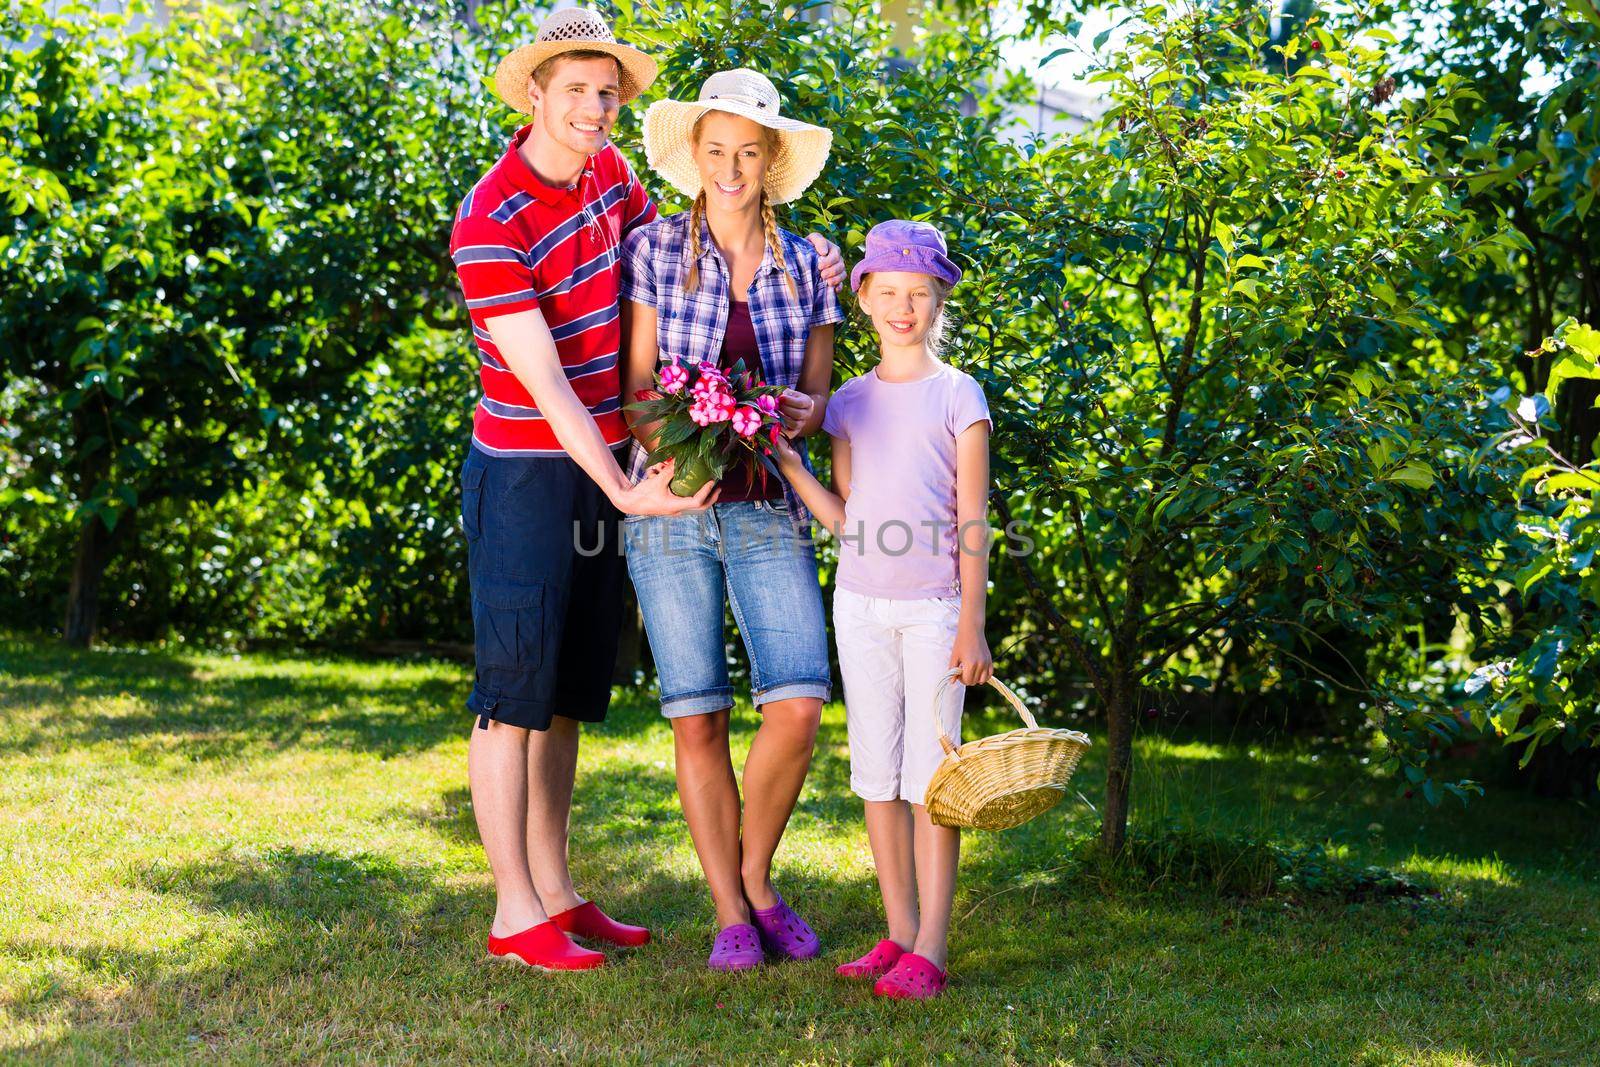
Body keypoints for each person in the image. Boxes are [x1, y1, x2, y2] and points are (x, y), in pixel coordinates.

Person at [449, 11, 844, 972]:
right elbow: (548, 387)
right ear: (535, 93)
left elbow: (693, 251)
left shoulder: (612, 179)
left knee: (567, 692)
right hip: (530, 467)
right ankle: (513, 912)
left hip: (617, 469)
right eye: (575, 90)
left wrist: (826, 262)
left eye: (606, 91)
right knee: (511, 696)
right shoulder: (491, 218)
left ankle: (557, 890)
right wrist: (626, 491)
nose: (593, 107)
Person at [617, 69, 841, 971]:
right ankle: (731, 915)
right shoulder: (656, 251)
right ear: (694, 158)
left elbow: (820, 396)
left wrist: (796, 415)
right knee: (697, 713)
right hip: (670, 506)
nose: (731, 168)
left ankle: (755, 877)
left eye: (748, 151)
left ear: (771, 159)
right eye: (716, 152)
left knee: (797, 701)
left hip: (770, 503)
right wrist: (675, 444)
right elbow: (636, 387)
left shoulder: (814, 263)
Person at [772, 219, 993, 999]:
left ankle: (931, 945)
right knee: (876, 775)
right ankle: (897, 932)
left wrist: (972, 623)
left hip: (935, 612)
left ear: (938, 303)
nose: (905, 307)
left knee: (931, 783)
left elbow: (973, 519)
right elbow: (846, 517)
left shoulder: (957, 395)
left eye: (921, 295)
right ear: (863, 297)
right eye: (891, 292)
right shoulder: (850, 404)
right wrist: (790, 463)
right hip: (860, 606)